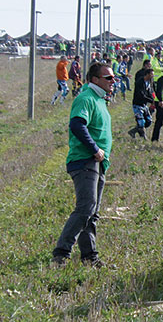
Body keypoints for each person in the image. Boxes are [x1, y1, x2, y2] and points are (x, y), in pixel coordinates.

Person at [52, 62, 116, 267]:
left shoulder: (99, 99)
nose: (113, 81)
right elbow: (77, 124)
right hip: (85, 160)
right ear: (94, 80)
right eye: (108, 78)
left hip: (97, 163)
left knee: (92, 212)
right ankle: (61, 253)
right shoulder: (86, 98)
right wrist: (95, 149)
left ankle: (90, 257)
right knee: (86, 208)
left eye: (113, 77)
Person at [128, 60, 156, 139]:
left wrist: (153, 100)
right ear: (147, 74)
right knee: (141, 122)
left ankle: (133, 131)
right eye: (151, 75)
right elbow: (141, 94)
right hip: (138, 104)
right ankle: (143, 137)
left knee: (149, 121)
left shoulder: (148, 82)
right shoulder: (140, 82)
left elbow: (149, 92)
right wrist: (151, 101)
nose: (152, 76)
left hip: (144, 104)